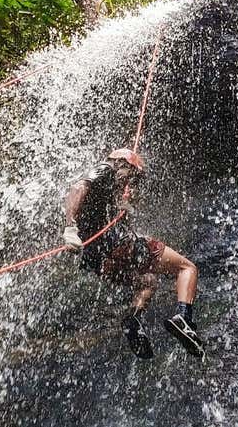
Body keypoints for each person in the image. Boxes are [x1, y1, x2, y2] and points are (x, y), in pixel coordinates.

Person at [62, 148, 204, 359]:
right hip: (119, 246)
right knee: (187, 268)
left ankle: (132, 321)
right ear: (122, 163)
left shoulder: (110, 186)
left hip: (99, 260)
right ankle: (184, 319)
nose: (131, 182)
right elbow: (78, 188)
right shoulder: (106, 168)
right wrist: (70, 227)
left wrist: (123, 207)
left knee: (147, 282)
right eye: (133, 175)